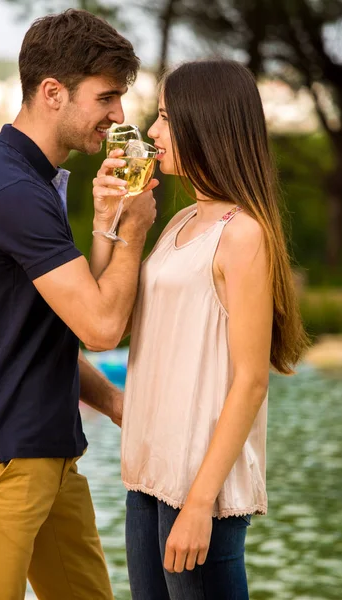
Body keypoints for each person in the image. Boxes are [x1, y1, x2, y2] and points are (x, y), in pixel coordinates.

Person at [0, 9, 157, 600]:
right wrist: (133, 230)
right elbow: (102, 325)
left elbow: (43, 332)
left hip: (52, 456)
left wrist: (110, 399)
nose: (118, 116)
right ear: (53, 93)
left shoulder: (35, 181)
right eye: (107, 97)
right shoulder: (11, 188)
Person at [94, 60, 309, 599]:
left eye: (165, 117)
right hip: (149, 475)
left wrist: (198, 505)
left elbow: (250, 381)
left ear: (203, 123)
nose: (154, 132)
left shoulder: (243, 235)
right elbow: (110, 322)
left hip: (198, 487)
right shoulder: (180, 221)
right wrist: (108, 219)